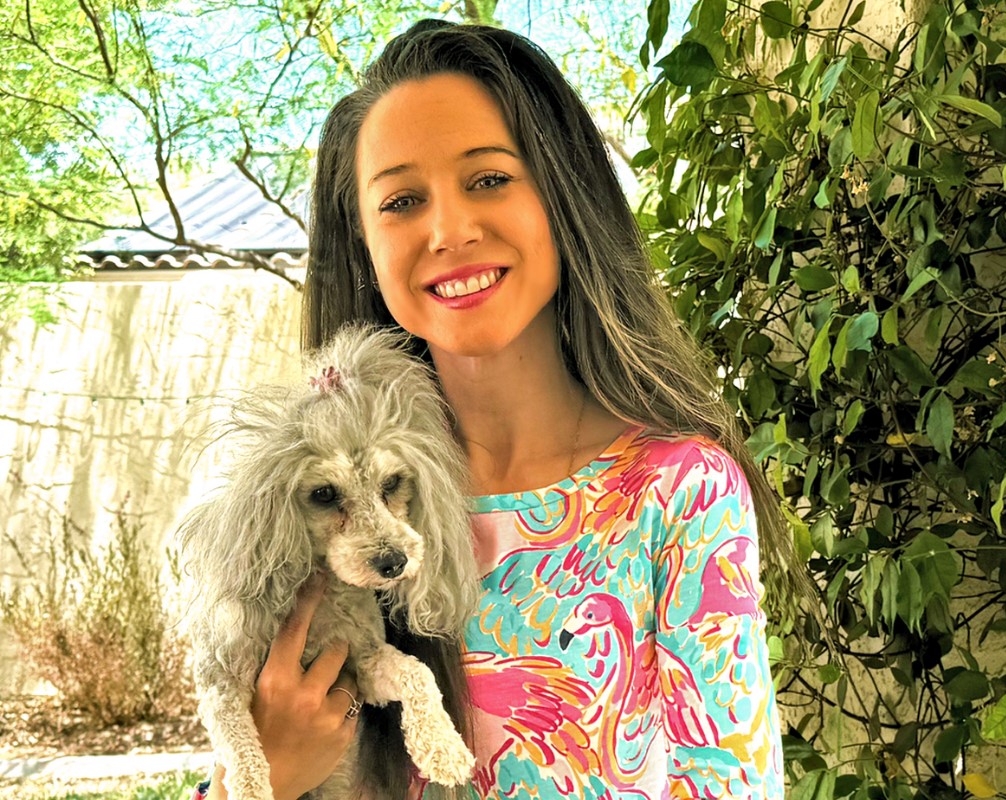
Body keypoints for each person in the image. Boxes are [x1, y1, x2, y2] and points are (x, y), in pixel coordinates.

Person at [196, 18, 791, 800]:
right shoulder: (317, 506)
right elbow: (242, 728)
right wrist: (265, 774)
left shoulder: (678, 491)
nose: (450, 230)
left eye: (488, 179)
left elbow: (730, 780)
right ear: (363, 243)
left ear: (563, 195)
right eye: (402, 200)